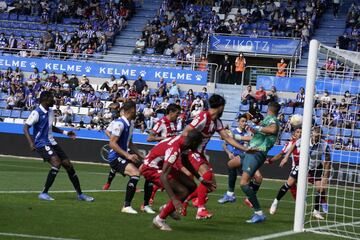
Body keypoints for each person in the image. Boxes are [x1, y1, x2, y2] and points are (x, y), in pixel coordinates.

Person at [181, 94, 250, 219]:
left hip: (199, 153)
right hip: (191, 152)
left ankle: (185, 200)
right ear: (221, 107)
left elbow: (227, 138)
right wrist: (184, 151)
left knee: (211, 186)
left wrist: (245, 149)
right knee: (206, 176)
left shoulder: (216, 121)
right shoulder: (202, 117)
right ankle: (200, 210)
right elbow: (186, 132)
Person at [23, 91, 94, 202]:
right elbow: (25, 127)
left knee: (68, 165)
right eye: (52, 98)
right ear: (45, 99)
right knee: (56, 163)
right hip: (42, 143)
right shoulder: (36, 112)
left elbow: (51, 127)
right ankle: (44, 193)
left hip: (52, 142)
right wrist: (31, 143)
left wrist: (66, 133)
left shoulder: (51, 112)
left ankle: (80, 195)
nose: (54, 100)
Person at [141, 130, 212, 231]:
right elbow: (163, 176)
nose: (198, 148)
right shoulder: (175, 149)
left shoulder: (184, 142)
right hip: (151, 169)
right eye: (198, 144)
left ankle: (167, 208)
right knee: (183, 191)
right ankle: (159, 220)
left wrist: (200, 179)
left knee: (192, 186)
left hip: (160, 165)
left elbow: (185, 161)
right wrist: (174, 200)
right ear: (194, 142)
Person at [240, 101, 281, 223]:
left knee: (243, 183)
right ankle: (230, 193)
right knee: (231, 164)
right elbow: (257, 135)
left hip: (257, 151)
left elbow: (273, 130)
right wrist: (236, 136)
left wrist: (254, 126)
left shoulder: (272, 119)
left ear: (269, 108)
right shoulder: (266, 120)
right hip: (252, 150)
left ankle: (258, 212)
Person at [107, 101, 149, 214]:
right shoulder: (119, 124)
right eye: (135, 109)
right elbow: (112, 143)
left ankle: (146, 205)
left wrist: (143, 157)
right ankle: (126, 206)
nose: (137, 111)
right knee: (135, 173)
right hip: (115, 157)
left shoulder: (130, 124)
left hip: (124, 155)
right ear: (131, 110)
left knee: (147, 170)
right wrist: (127, 155)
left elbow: (130, 143)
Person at [218, 114, 253, 204]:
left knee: (248, 180)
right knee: (244, 178)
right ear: (238, 122)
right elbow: (224, 144)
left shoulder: (248, 134)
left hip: (245, 158)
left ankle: (234, 195)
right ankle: (233, 195)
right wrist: (229, 153)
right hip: (236, 158)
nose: (244, 123)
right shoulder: (233, 132)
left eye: (245, 121)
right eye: (242, 121)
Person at [268, 127, 302, 214]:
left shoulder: (307, 142)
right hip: (297, 168)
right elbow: (281, 154)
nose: (300, 134)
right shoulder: (291, 144)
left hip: (309, 168)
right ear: (294, 134)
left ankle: (320, 207)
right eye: (298, 132)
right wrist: (270, 160)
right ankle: (275, 202)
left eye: (301, 132)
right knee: (290, 185)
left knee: (319, 185)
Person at [307, 127, 331, 220]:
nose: (316, 138)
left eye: (318, 137)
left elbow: (328, 161)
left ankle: (316, 211)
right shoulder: (304, 141)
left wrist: (325, 177)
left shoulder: (324, 145)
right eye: (315, 136)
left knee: (320, 188)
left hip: (317, 167)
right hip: (305, 167)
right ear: (312, 134)